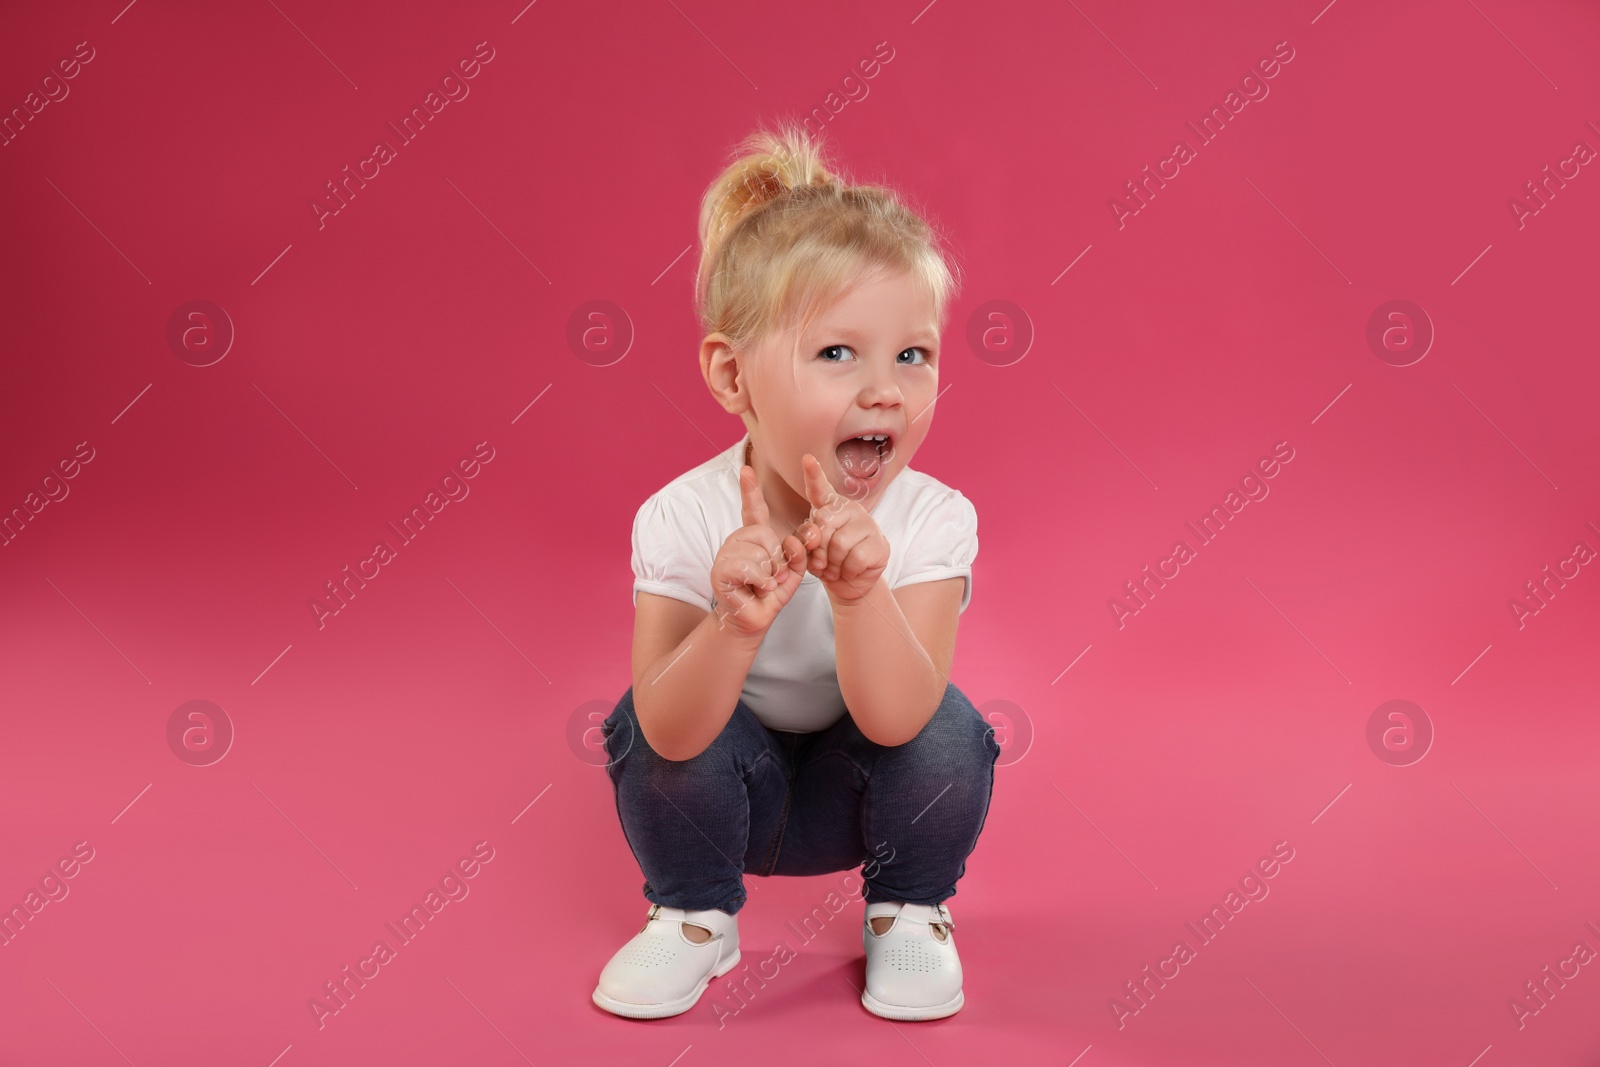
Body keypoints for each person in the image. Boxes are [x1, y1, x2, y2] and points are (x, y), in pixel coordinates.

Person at [592, 121, 999, 1023]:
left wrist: (860, 595)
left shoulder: (935, 517)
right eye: (837, 353)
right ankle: (695, 915)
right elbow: (663, 726)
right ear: (733, 377)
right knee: (633, 716)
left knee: (952, 729)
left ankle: (909, 907)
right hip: (728, 789)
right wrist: (731, 623)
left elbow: (900, 717)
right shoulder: (681, 516)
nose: (886, 388)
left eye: (914, 354)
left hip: (860, 790)